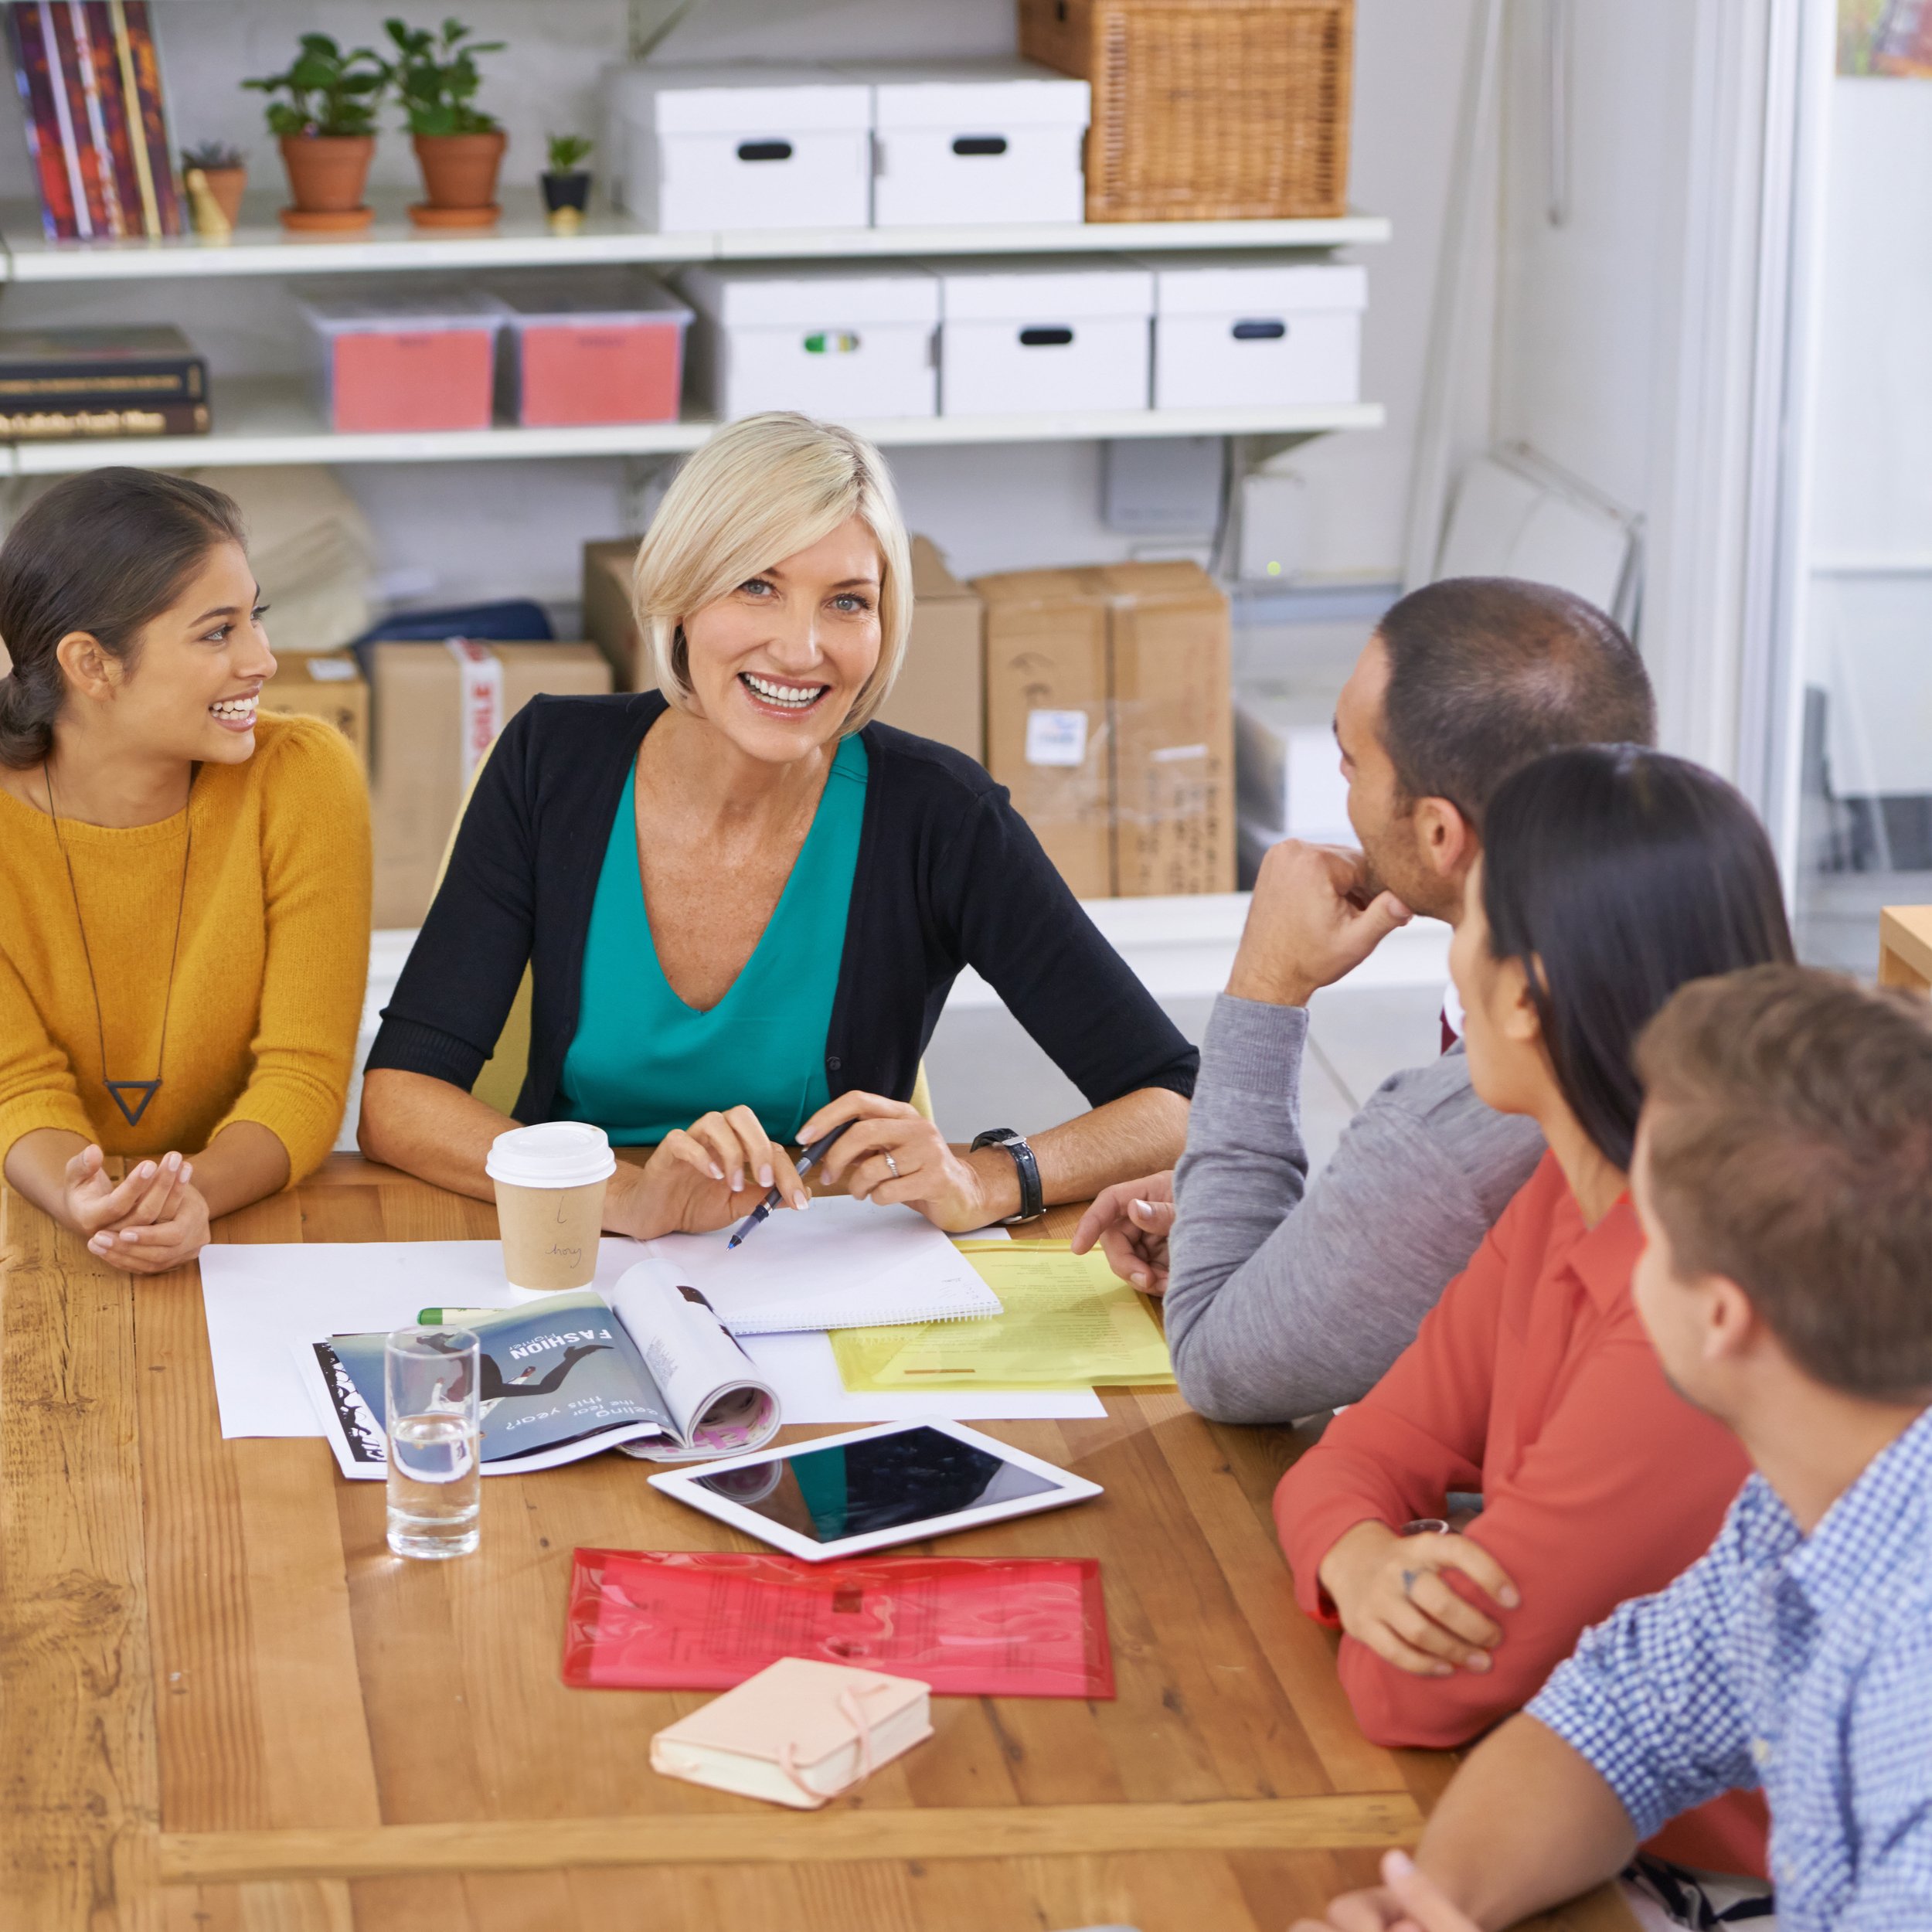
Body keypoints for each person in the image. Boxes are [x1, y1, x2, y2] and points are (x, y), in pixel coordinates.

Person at [359, 413, 1195, 1236]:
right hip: (586, 1250)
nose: (801, 649)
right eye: (756, 584)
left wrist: (987, 1178)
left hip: (825, 1275)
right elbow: (400, 1099)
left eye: (846, 602)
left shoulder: (938, 814)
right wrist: (622, 1200)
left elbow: (1178, 1099)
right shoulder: (553, 760)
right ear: (681, 594)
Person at [1291, 965, 1932, 1932]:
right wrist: (1436, 1905)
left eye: (1652, 1217)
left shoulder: (1909, 1694)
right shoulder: (1800, 1510)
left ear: (1722, 1316)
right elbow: (1613, 1724)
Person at [1274, 744, 1795, 1882]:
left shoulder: (1691, 1324)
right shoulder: (1571, 1185)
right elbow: (1370, 1447)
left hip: (1695, 1888)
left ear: (1522, 992)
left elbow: (1411, 1690)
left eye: (1471, 923)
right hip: (1558, 1822)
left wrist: (1388, 1566)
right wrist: (1361, 1562)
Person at [1073, 576, 1656, 1423]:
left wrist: (1265, 986)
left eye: (1350, 762)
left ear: (1437, 834)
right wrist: (1275, 1233)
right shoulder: (1684, 960)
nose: (1339, 794)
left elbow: (1217, 1365)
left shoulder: (1462, 1127)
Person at [0, 467, 371, 1273]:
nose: (263, 659)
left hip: (243, 1224)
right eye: (217, 632)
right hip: (33, 1234)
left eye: (256, 618)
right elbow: (14, 1085)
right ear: (91, 665)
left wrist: (189, 1194)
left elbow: (304, 1076)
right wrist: (81, 1199)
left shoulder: (304, 776)